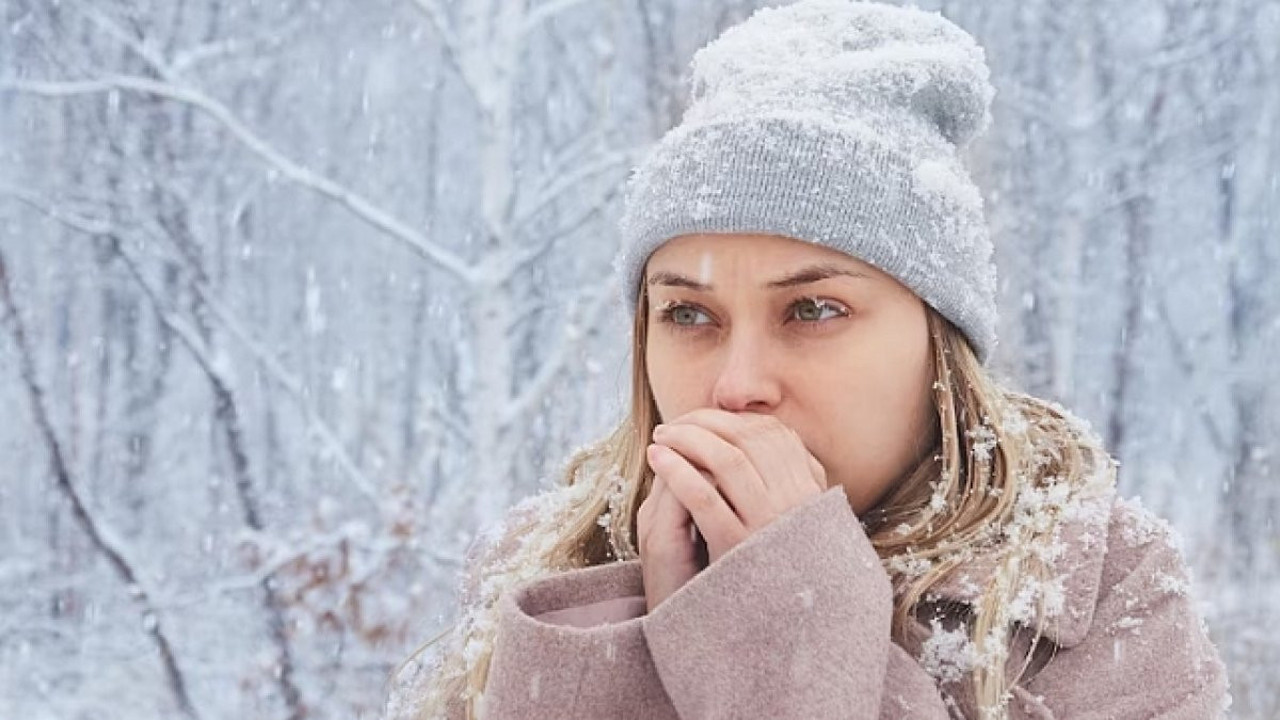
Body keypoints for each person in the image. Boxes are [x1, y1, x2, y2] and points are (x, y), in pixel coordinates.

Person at [386, 1, 1230, 718]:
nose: (738, 384)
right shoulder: (538, 575)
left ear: (940, 341)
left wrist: (790, 633)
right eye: (688, 313)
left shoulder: (1097, 591)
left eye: (814, 309)